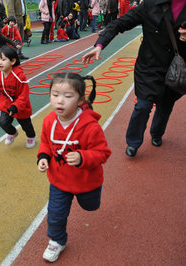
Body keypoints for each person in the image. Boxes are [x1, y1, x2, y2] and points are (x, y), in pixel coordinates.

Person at [82, 0, 186, 157]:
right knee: (143, 105)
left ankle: (157, 133)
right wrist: (100, 45)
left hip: (177, 68)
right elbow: (119, 23)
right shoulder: (150, 5)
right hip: (149, 66)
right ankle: (133, 142)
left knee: (165, 105)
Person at [37, 73, 111, 263]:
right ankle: (57, 241)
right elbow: (45, 142)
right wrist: (43, 157)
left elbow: (103, 153)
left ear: (80, 100)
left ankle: (91, 197)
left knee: (91, 206)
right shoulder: (48, 121)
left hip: (87, 181)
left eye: (68, 96)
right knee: (55, 214)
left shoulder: (90, 126)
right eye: (54, 94)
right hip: (60, 181)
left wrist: (82, 157)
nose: (60, 101)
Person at [0, 46, 36, 148]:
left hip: (20, 105)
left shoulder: (19, 76)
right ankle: (12, 133)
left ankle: (31, 137)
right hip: (5, 103)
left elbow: (24, 94)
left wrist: (16, 106)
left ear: (13, 61)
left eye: (3, 60)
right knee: (3, 122)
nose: (0, 62)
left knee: (26, 125)